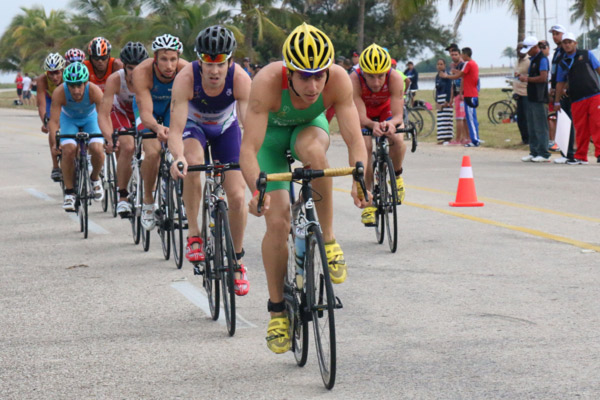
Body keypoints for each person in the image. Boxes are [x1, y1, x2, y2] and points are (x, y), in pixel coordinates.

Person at [239, 23, 369, 354]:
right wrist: (257, 191)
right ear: (289, 73)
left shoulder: (338, 79)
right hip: (270, 142)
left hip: (309, 131)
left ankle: (327, 239)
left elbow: (355, 138)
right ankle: (278, 310)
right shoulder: (267, 82)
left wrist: (359, 179)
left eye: (318, 76)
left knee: (315, 154)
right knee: (278, 222)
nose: (313, 86)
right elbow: (249, 150)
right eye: (303, 77)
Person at [168, 26, 252, 295]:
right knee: (193, 163)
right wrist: (178, 157)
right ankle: (194, 234)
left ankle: (237, 260)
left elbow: (250, 128)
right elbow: (176, 130)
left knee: (237, 197)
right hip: (194, 127)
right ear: (199, 61)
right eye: (208, 63)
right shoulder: (185, 78)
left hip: (226, 129)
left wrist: (254, 159)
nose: (214, 71)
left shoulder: (240, 78)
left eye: (220, 63)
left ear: (230, 61)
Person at [133, 34, 188, 230]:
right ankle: (148, 201)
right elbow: (146, 113)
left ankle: (182, 201)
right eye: (164, 59)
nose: (169, 65)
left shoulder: (186, 71)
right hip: (148, 111)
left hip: (171, 109)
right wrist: (157, 128)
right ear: (155, 58)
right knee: (153, 151)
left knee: (184, 150)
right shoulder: (142, 72)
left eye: (173, 59)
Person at [350, 43, 406, 226]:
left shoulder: (396, 78)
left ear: (387, 72)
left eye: (381, 76)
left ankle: (396, 176)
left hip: (387, 112)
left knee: (397, 139)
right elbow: (359, 116)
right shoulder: (354, 79)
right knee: (364, 148)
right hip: (364, 115)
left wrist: (390, 124)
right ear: (362, 72)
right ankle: (368, 201)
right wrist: (372, 124)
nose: (376, 82)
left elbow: (398, 115)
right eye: (370, 77)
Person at [98, 42, 149, 217]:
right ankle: (122, 197)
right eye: (130, 68)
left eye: (139, 67)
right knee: (127, 146)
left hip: (142, 111)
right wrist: (109, 139)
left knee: (151, 148)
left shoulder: (150, 77)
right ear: (123, 66)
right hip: (120, 113)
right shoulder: (115, 79)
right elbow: (103, 114)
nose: (134, 72)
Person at [47, 62, 105, 210]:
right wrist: (55, 142)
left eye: (79, 85)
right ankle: (69, 192)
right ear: (67, 84)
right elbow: (53, 121)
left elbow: (104, 117)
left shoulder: (95, 91)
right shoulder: (60, 92)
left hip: (91, 119)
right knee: (68, 150)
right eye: (72, 86)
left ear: (86, 82)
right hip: (69, 120)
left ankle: (95, 178)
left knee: (97, 149)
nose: (76, 90)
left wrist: (108, 138)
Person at [555, 32, 600, 164]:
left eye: (570, 42)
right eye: (565, 42)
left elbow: (598, 69)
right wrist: (557, 100)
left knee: (597, 124)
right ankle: (581, 156)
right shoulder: (563, 62)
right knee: (580, 128)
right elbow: (560, 82)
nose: (567, 45)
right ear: (562, 45)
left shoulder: (586, 55)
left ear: (575, 43)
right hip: (576, 99)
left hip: (594, 95)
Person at [518, 36, 551, 162]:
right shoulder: (533, 59)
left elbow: (543, 78)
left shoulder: (542, 59)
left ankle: (543, 153)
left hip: (539, 96)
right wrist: (525, 76)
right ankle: (534, 151)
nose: (527, 52)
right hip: (531, 95)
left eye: (528, 49)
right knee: (531, 125)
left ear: (535, 47)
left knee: (540, 126)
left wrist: (527, 79)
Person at [548, 25, 576, 164]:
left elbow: (567, 73)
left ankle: (569, 152)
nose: (554, 36)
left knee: (567, 122)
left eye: (557, 33)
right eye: (553, 34)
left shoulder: (566, 52)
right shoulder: (558, 52)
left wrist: (564, 88)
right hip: (557, 90)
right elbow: (555, 73)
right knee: (562, 121)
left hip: (566, 92)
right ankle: (564, 151)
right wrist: (553, 88)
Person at [441, 47, 480, 147]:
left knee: (470, 118)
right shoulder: (473, 63)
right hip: (472, 94)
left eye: (462, 54)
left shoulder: (468, 64)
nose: (461, 56)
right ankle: (475, 138)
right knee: (472, 118)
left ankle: (474, 140)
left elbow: (459, 76)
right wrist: (455, 72)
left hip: (469, 94)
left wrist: (447, 76)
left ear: (465, 55)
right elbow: (463, 75)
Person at [37, 53, 66, 181]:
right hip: (51, 100)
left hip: (65, 100)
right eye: (51, 73)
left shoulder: (68, 76)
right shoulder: (42, 80)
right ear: (47, 73)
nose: (54, 77)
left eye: (57, 73)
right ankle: (55, 167)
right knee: (52, 128)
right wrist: (45, 121)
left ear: (63, 70)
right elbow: (41, 104)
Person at [447, 46, 469, 145]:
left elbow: (463, 78)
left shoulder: (462, 65)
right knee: (462, 118)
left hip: (461, 94)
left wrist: (461, 93)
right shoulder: (453, 65)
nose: (454, 56)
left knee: (460, 118)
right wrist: (451, 97)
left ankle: (459, 139)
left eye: (455, 54)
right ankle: (465, 138)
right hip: (456, 94)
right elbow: (453, 82)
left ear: (459, 54)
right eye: (452, 54)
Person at [539, 39, 558, 151]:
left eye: (544, 47)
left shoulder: (550, 58)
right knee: (549, 117)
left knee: (551, 117)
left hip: (551, 90)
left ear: (548, 48)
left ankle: (553, 141)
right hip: (545, 91)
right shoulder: (543, 59)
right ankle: (551, 140)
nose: (542, 49)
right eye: (540, 47)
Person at [513, 43, 530, 145]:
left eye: (521, 48)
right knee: (520, 119)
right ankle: (524, 139)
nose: (519, 50)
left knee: (527, 118)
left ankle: (529, 139)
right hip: (518, 92)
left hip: (526, 93)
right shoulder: (517, 61)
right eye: (518, 49)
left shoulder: (528, 61)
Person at [434, 59, 453, 144]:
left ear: (445, 65)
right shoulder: (437, 76)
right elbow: (437, 89)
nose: (440, 66)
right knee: (441, 119)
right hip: (439, 98)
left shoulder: (447, 75)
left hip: (446, 98)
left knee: (447, 118)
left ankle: (448, 138)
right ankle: (442, 138)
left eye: (441, 64)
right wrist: (437, 101)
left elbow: (449, 88)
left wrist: (447, 100)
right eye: (438, 64)